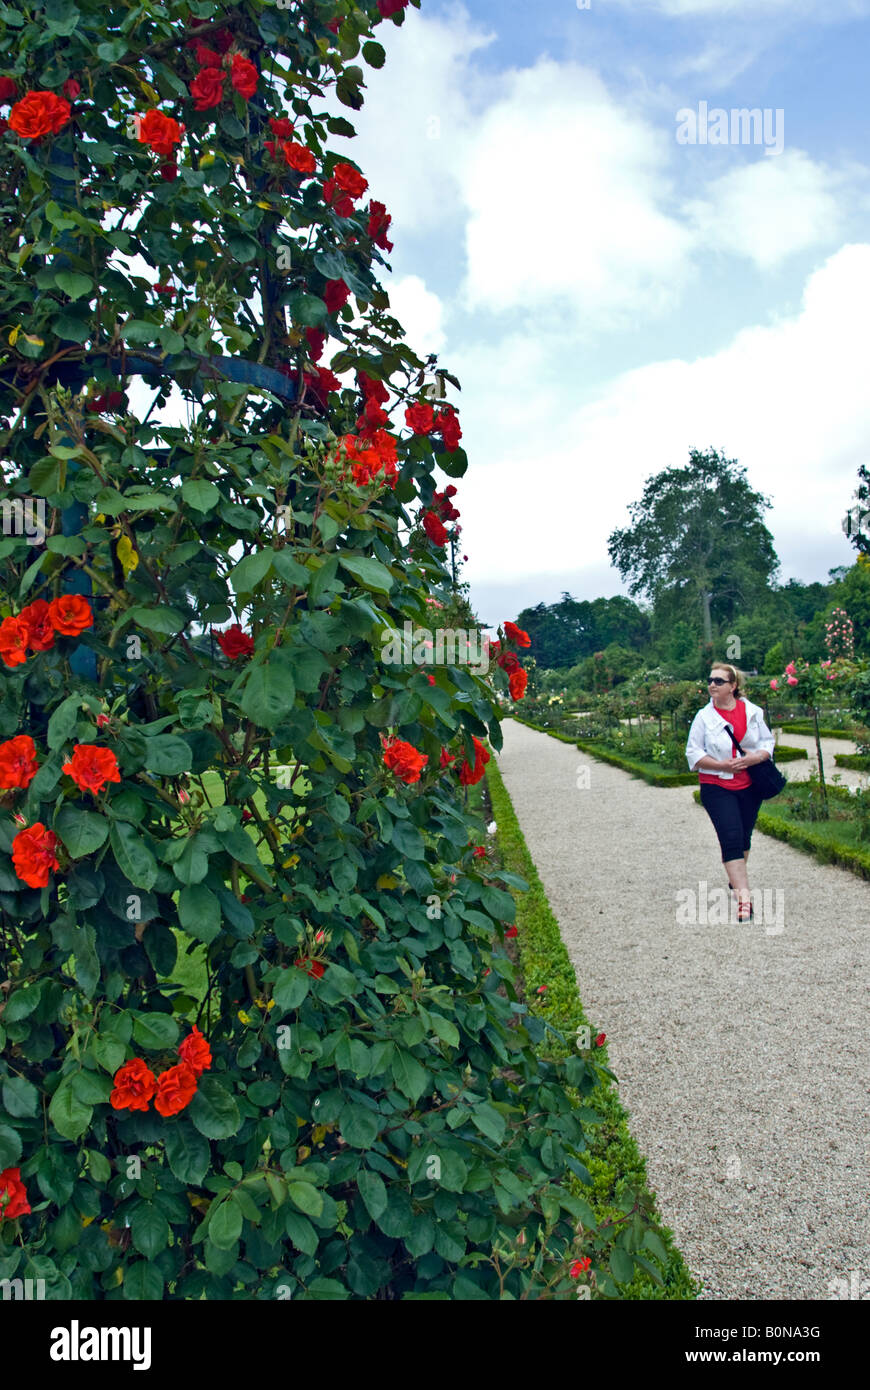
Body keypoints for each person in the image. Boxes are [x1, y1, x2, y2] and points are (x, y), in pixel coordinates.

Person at [685, 663, 775, 923]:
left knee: (744, 837)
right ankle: (745, 899)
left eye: (719, 681)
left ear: (733, 686)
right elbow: (693, 752)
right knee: (731, 836)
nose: (712, 684)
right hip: (717, 785)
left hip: (750, 785)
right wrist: (721, 765)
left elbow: (767, 742)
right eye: (710, 680)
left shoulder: (752, 712)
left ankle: (735, 881)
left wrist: (755, 757)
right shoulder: (704, 717)